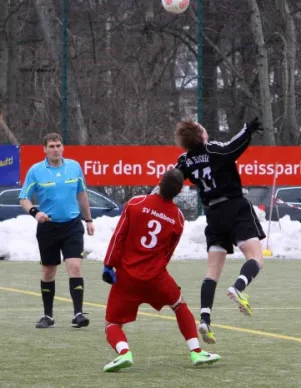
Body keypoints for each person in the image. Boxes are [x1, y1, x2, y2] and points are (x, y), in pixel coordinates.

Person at [101, 169, 221, 372]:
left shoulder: (136, 203)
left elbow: (118, 237)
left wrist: (108, 265)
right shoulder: (178, 217)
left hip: (127, 277)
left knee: (111, 323)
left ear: (159, 182)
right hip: (156, 277)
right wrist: (156, 268)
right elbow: (168, 252)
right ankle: (196, 351)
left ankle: (124, 353)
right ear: (178, 192)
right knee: (179, 305)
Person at [173, 118, 266, 345]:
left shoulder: (184, 160)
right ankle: (238, 287)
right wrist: (248, 129)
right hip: (234, 207)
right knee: (256, 257)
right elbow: (235, 146)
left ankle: (205, 319)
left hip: (213, 214)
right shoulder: (214, 150)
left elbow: (171, 180)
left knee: (212, 271)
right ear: (201, 135)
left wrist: (157, 195)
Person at [19, 132, 95, 329]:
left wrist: (88, 219)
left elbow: (82, 194)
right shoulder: (36, 171)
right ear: (44, 149)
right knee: (48, 271)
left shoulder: (74, 167)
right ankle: (48, 316)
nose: (55, 149)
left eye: (58, 145)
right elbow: (23, 198)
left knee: (75, 267)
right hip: (48, 228)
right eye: (51, 146)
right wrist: (35, 213)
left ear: (63, 148)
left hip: (72, 225)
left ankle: (78, 314)